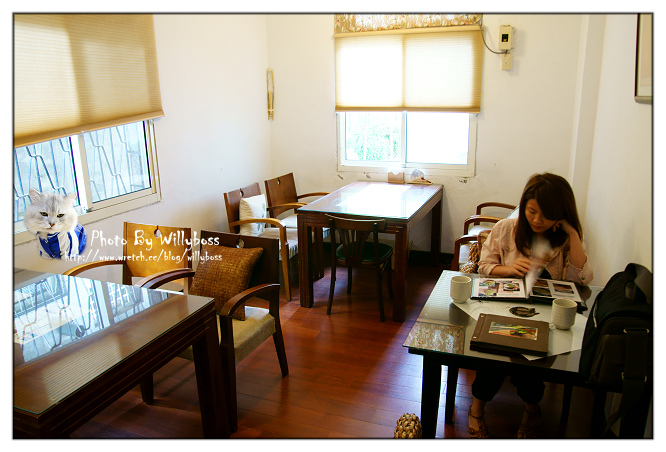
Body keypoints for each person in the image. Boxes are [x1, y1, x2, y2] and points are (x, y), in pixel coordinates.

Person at [469, 173, 593, 439]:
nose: (536, 220)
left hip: (546, 317)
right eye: (531, 211)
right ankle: (476, 409)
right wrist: (508, 269)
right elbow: (484, 267)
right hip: (503, 310)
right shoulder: (506, 229)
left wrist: (573, 233)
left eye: (546, 215)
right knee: (494, 359)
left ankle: (531, 408)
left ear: (561, 214)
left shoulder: (564, 239)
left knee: (532, 364)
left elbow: (581, 280)